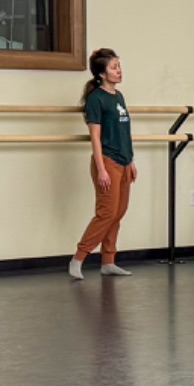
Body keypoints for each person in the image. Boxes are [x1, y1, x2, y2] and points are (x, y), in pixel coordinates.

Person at [71, 48, 136, 279]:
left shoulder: (119, 97)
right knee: (106, 213)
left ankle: (108, 261)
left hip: (124, 162)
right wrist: (101, 170)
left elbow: (124, 131)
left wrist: (131, 160)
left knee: (118, 212)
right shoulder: (96, 99)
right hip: (107, 162)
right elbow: (95, 137)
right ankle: (79, 258)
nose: (119, 71)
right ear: (101, 73)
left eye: (119, 66)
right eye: (114, 67)